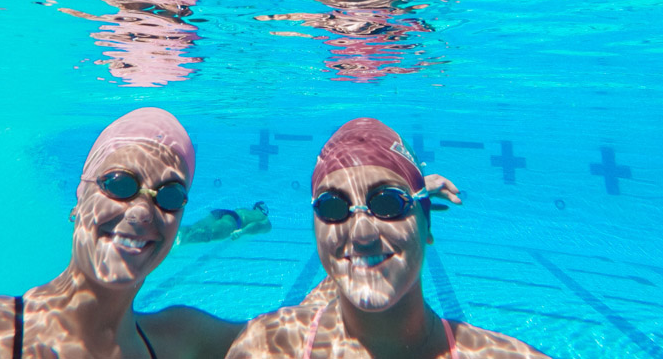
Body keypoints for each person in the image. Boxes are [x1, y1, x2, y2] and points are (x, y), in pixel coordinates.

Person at [0, 107, 240, 359]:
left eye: (169, 196)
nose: (141, 212)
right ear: (79, 200)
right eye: (119, 184)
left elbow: (292, 336)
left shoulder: (183, 340)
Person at [226, 118, 549, 359]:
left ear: (428, 225)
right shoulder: (266, 347)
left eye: (388, 204)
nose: (362, 232)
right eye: (333, 207)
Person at [178, 201, 272, 244]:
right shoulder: (264, 218)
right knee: (208, 234)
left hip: (222, 212)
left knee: (192, 228)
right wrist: (242, 231)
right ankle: (179, 242)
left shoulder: (246, 211)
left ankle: (177, 233)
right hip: (234, 220)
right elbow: (257, 226)